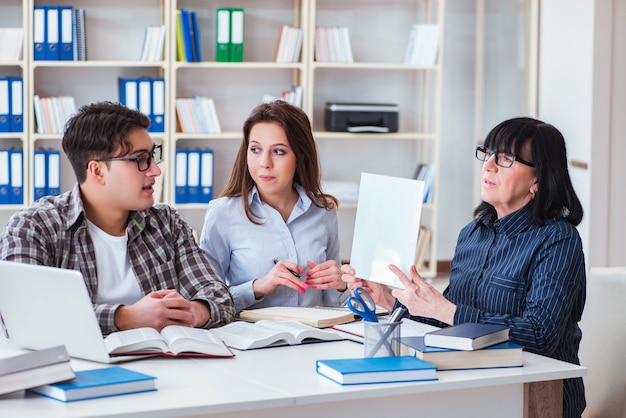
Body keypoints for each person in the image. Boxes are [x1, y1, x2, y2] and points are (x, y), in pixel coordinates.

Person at [341, 117, 586, 417]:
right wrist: (389, 298)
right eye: (489, 153)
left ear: (538, 179)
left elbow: (540, 336)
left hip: (535, 397)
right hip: (472, 384)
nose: (489, 166)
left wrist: (446, 310)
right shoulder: (472, 234)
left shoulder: (558, 239)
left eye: (506, 158)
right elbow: (449, 321)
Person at [0, 101, 236, 335]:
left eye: (153, 156)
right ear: (97, 171)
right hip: (75, 369)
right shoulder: (34, 227)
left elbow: (218, 296)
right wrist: (126, 317)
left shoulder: (167, 224)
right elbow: (19, 315)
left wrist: (195, 311)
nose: (155, 170)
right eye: (141, 159)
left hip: (165, 365)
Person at [200, 100, 348, 313]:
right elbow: (205, 300)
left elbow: (333, 303)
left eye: (278, 151)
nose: (264, 163)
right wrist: (259, 286)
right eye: (256, 149)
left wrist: (341, 284)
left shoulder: (323, 211)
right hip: (249, 341)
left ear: (301, 156)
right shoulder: (223, 213)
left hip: (313, 340)